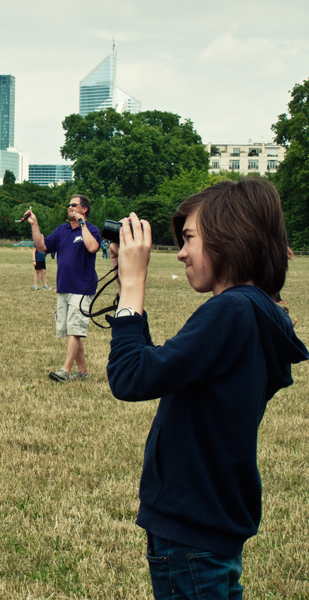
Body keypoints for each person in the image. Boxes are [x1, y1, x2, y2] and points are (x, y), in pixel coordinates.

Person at [107, 179, 308, 600]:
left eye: (190, 238)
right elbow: (161, 367)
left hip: (191, 526)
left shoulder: (232, 311)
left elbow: (131, 376)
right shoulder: (255, 310)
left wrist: (132, 284)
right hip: (210, 520)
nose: (180, 252)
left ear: (230, 237)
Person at [24, 195, 100, 382]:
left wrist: (83, 225)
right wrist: (34, 224)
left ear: (84, 209)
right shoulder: (62, 230)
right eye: (68, 205)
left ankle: (65, 371)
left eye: (74, 205)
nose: (69, 208)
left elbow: (92, 247)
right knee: (71, 330)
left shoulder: (91, 230)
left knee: (74, 330)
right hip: (64, 287)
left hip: (82, 287)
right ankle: (83, 373)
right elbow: (41, 246)